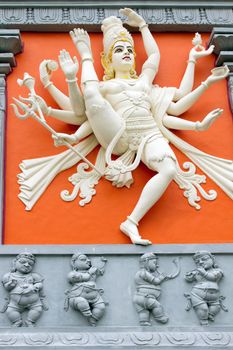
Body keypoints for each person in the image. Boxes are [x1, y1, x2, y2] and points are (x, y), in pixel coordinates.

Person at [14, 9, 232, 245]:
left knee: (169, 169)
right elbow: (80, 111)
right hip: (119, 135)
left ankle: (131, 222)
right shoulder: (106, 86)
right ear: (108, 60)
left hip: (149, 134)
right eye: (119, 50)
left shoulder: (145, 83)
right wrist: (66, 84)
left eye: (129, 50)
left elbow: (155, 58)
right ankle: (86, 54)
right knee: (92, 93)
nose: (127, 53)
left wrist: (143, 26)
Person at [1, 253, 47, 327]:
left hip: (34, 303)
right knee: (10, 311)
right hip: (15, 303)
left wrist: (37, 286)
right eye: (22, 262)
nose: (27, 265)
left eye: (30, 264)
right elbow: (6, 287)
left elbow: (40, 283)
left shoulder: (33, 276)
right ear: (14, 262)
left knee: (38, 309)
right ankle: (17, 321)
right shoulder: (9, 276)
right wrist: (10, 285)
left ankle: (30, 321)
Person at [64, 253, 107, 326]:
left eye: (88, 259)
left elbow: (100, 270)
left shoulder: (92, 272)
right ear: (74, 263)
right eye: (83, 259)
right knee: (81, 302)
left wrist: (103, 262)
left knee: (101, 307)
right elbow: (84, 277)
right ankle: (87, 313)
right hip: (76, 297)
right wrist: (89, 273)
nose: (88, 261)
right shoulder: (72, 274)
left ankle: (93, 319)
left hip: (95, 298)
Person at [185, 251, 225, 325]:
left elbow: (213, 278)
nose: (200, 262)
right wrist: (190, 275)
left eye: (204, 259)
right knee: (202, 309)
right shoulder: (198, 271)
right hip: (197, 294)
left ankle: (210, 315)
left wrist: (204, 273)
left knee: (216, 307)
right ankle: (203, 321)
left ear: (213, 259)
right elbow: (188, 279)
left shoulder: (217, 271)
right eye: (197, 261)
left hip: (214, 297)